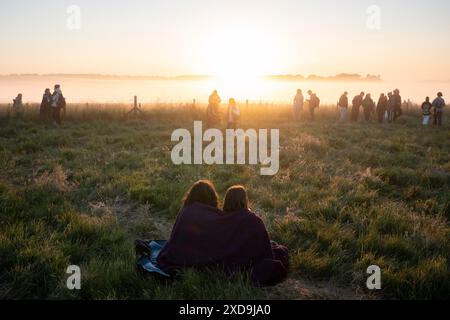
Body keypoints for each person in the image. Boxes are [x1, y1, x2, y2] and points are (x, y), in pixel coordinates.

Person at [157, 181, 288, 286]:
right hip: (208, 256)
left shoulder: (186, 211)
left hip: (181, 255)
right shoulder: (248, 221)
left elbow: (179, 238)